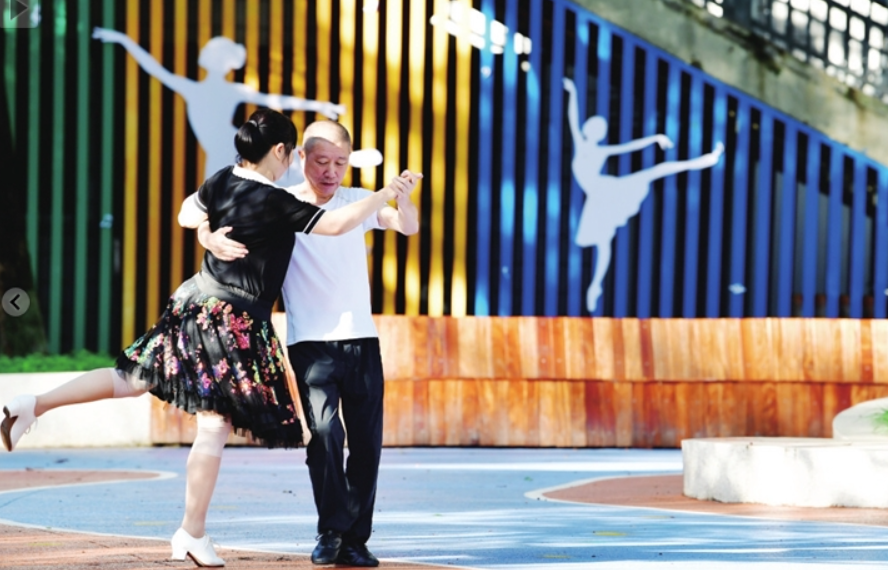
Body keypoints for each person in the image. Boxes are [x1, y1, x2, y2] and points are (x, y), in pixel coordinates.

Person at [0, 109, 408, 568]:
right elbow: (334, 224)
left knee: (128, 378)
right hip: (232, 321)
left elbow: (185, 213)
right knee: (212, 426)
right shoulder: (275, 200)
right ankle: (191, 533)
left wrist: (206, 234)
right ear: (281, 151)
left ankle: (33, 404)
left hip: (193, 303)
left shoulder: (221, 180)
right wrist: (384, 194)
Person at [200, 120, 421, 567]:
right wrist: (206, 236)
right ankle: (331, 532)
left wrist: (402, 196)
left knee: (366, 445)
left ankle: (355, 540)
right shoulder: (281, 204)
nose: (330, 171)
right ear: (300, 157)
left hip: (361, 340)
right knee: (323, 436)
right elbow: (208, 213)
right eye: (321, 161)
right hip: (310, 343)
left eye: (340, 163)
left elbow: (406, 226)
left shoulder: (357, 200)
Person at [92, 28, 344, 182]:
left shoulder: (224, 90)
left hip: (232, 147)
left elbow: (274, 100)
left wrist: (319, 105)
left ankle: (340, 163)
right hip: (224, 151)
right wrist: (123, 39)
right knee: (221, 206)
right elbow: (154, 69)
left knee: (274, 179)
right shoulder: (195, 88)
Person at [562, 77, 723, 312]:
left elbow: (630, 147)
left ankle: (706, 160)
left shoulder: (601, 150)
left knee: (655, 172)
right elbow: (573, 117)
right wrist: (573, 92)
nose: (594, 130)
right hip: (599, 193)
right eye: (594, 127)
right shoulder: (582, 144)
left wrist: (655, 139)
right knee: (601, 242)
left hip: (604, 190)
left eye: (599, 128)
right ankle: (595, 287)